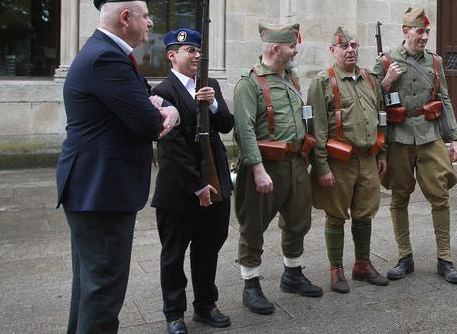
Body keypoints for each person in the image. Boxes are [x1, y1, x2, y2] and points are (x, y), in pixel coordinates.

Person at [56, 0, 180, 333]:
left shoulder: (105, 52)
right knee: (102, 291)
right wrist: (168, 115)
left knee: (90, 286)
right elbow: (147, 121)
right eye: (145, 16)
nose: (150, 23)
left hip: (93, 188)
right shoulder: (107, 57)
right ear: (126, 17)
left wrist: (157, 107)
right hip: (101, 191)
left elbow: (144, 99)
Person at [233, 23, 322, 314]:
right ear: (276, 49)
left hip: (296, 162)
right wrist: (257, 170)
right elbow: (244, 130)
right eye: (292, 46)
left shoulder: (292, 79)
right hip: (265, 165)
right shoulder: (250, 83)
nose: (296, 50)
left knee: (299, 221)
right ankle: (251, 285)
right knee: (254, 226)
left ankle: (292, 275)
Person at [373, 7, 457, 284]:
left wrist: (455, 138)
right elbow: (369, 98)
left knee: (441, 195)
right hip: (398, 138)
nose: (424, 36)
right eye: (419, 31)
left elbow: (445, 99)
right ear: (405, 32)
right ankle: (404, 257)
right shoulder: (386, 60)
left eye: (426, 31)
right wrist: (385, 83)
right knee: (399, 197)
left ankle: (445, 259)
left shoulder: (435, 63)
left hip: (429, 135)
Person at [151, 29, 234, 334]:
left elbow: (226, 124)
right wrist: (197, 185)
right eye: (189, 50)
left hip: (215, 184)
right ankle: (174, 313)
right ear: (172, 55)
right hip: (180, 190)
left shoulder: (209, 85)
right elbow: (170, 149)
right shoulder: (164, 91)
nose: (197, 55)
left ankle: (205, 306)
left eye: (199, 50)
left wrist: (212, 105)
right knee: (173, 255)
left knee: (208, 248)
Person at [308, 27, 389, 293]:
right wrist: (321, 166)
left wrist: (382, 152)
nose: (350, 50)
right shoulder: (323, 82)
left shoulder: (371, 79)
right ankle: (336, 269)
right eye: (343, 46)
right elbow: (317, 129)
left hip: (368, 159)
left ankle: (362, 265)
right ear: (333, 51)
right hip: (338, 161)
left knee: (365, 212)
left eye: (353, 45)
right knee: (336, 214)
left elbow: (381, 116)